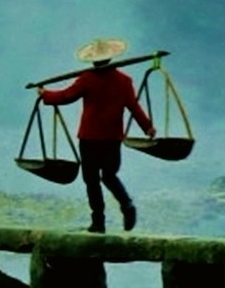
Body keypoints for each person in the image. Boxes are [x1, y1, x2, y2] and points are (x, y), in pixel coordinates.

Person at [36, 37, 154, 233]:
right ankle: (126, 205)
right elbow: (134, 106)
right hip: (112, 138)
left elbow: (66, 96)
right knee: (109, 176)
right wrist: (147, 127)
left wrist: (45, 94)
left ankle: (98, 222)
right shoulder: (124, 81)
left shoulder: (87, 79)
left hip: (90, 138)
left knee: (91, 180)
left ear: (94, 60)